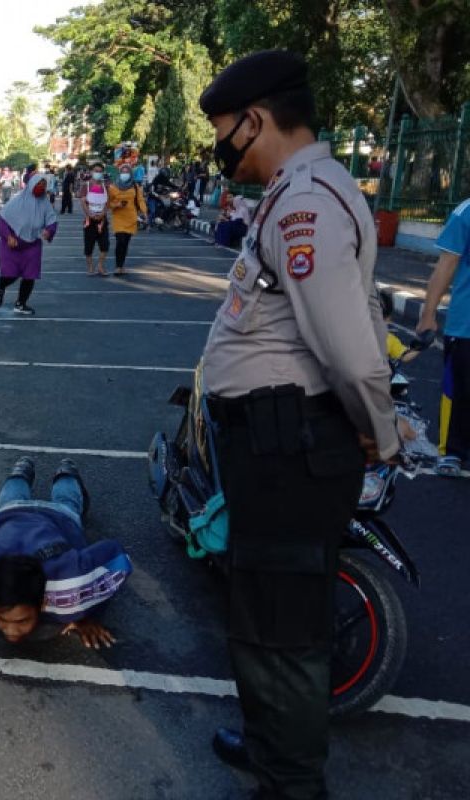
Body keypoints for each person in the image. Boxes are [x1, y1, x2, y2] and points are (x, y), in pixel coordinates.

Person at [198, 51, 400, 799]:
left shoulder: (306, 202)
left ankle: (291, 783)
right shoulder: (294, 194)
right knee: (263, 614)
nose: (222, 146)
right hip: (271, 445)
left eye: (225, 130)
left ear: (256, 119)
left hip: (289, 449)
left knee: (280, 629)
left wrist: (379, 431)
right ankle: (268, 743)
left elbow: (351, 350)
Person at [0, 457, 131, 647]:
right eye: (1, 618)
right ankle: (29, 472)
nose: (11, 632)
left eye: (22, 620)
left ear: (44, 602)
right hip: (11, 512)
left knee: (67, 503)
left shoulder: (71, 583)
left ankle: (64, 473)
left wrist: (87, 613)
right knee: (17, 499)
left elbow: (118, 558)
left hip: (58, 518)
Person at [418, 196, 470, 476]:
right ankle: (452, 452)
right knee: (458, 390)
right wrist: (428, 313)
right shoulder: (467, 212)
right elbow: (446, 265)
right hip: (466, 324)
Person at [0, 172, 58, 315]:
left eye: (44, 185)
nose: (41, 187)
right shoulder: (17, 201)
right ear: (31, 185)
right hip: (13, 245)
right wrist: (8, 236)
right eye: (38, 184)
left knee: (30, 275)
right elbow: (2, 219)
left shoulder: (45, 203)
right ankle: (0, 287)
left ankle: (21, 304)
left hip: (32, 245)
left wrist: (49, 231)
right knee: (11, 275)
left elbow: (52, 220)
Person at [107, 163, 147, 275]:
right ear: (119, 173)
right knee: (120, 241)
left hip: (131, 218)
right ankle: (118, 266)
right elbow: (108, 203)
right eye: (122, 172)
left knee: (125, 243)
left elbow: (140, 200)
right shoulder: (113, 187)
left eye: (127, 172)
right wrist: (117, 204)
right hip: (118, 217)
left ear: (130, 173)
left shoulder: (135, 186)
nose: (125, 174)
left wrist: (144, 212)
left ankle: (122, 265)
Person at [79, 162, 110, 276]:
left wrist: (103, 213)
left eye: (100, 171)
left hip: (102, 220)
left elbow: (108, 202)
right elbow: (82, 201)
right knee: (89, 245)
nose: (98, 173)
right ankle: (90, 267)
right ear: (91, 172)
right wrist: (89, 214)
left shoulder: (105, 186)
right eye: (96, 171)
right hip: (89, 220)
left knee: (105, 245)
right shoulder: (86, 186)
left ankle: (100, 266)